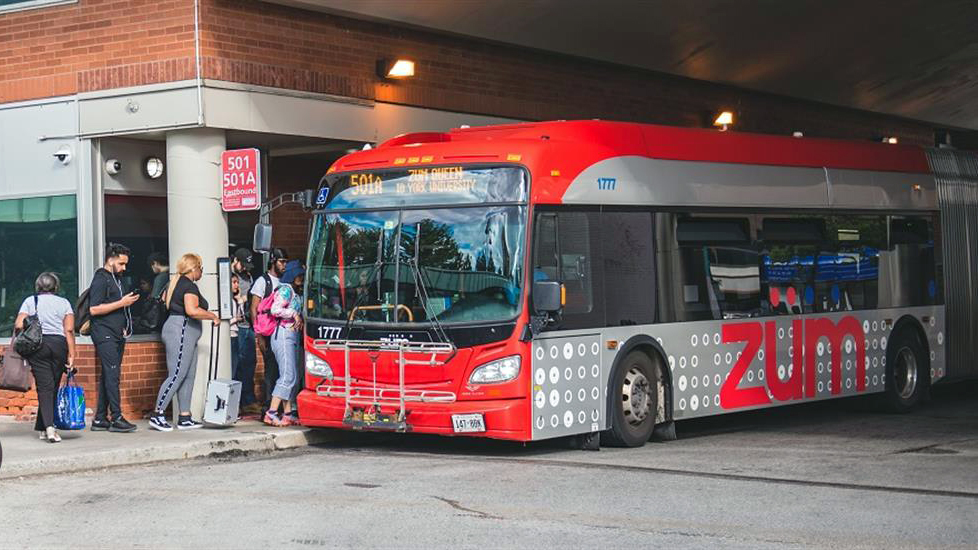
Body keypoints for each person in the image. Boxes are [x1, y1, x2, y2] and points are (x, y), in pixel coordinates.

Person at [148, 253, 219, 431]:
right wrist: (212, 316)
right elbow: (192, 310)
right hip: (181, 330)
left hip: (186, 332)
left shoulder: (175, 283)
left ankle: (185, 416)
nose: (202, 272)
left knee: (188, 375)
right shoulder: (187, 286)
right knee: (177, 374)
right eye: (201, 268)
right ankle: (158, 414)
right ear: (194, 268)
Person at [14, 273, 75, 443]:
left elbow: (19, 324)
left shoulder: (30, 301)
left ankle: (46, 427)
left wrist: (31, 320)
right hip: (59, 345)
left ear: (38, 286)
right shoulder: (64, 303)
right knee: (52, 386)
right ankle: (46, 427)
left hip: (38, 345)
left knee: (45, 387)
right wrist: (72, 354)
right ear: (56, 287)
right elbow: (69, 330)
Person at [89, 243, 139, 433]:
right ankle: (116, 416)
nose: (124, 268)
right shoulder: (101, 278)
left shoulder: (115, 279)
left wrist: (124, 324)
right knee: (112, 374)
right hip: (104, 332)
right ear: (110, 260)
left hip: (116, 332)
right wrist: (122, 302)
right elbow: (94, 309)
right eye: (121, 263)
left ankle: (101, 418)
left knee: (107, 375)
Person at [264, 259, 304, 427]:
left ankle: (287, 414)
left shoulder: (295, 291)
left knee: (291, 376)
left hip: (291, 336)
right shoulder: (286, 290)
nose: (301, 278)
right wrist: (293, 313)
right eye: (299, 275)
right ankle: (271, 413)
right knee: (287, 376)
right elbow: (275, 309)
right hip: (283, 335)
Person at [250, 247, 288, 409]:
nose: (284, 265)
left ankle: (278, 405)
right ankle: (268, 404)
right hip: (267, 331)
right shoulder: (262, 281)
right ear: (273, 261)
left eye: (285, 262)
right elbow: (254, 309)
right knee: (270, 370)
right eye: (281, 262)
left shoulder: (285, 282)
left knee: (282, 369)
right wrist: (258, 335)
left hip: (282, 331)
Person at [231, 248, 260, 414]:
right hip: (237, 326)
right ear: (235, 260)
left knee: (250, 363)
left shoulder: (248, 276)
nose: (245, 268)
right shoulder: (229, 276)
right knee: (237, 366)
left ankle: (248, 399)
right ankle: (237, 401)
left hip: (248, 324)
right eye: (243, 264)